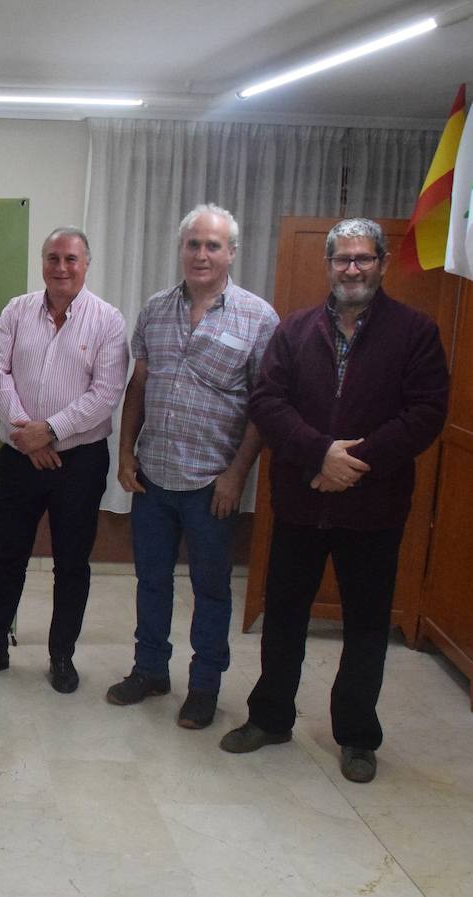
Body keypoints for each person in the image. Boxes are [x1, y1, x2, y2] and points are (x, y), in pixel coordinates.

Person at [221, 218, 448, 783]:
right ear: (328, 265)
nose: (352, 268)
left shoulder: (414, 332)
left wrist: (352, 465)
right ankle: (270, 719)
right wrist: (320, 454)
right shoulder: (294, 331)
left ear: (381, 264)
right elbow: (267, 401)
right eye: (342, 259)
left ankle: (356, 736)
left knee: (368, 627)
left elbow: (425, 414)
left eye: (363, 258)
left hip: (373, 511)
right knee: (284, 619)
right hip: (300, 504)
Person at [108, 203, 278, 729]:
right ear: (182, 248)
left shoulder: (259, 318)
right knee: (152, 581)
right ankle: (150, 669)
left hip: (213, 485)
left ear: (231, 253)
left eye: (212, 245)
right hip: (153, 476)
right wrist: (125, 451)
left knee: (210, 591)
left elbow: (264, 407)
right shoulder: (156, 309)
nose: (201, 254)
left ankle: (204, 686)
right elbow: (138, 386)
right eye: (193, 244)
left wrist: (236, 476)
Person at [0, 227, 127, 694]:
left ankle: (62, 656)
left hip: (81, 461)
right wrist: (27, 436)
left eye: (71, 258)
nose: (61, 267)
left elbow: (107, 393)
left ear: (86, 264)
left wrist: (49, 431)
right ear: (42, 262)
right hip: (18, 457)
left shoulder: (108, 320)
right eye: (53, 257)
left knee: (72, 563)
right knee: (6, 557)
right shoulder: (16, 310)